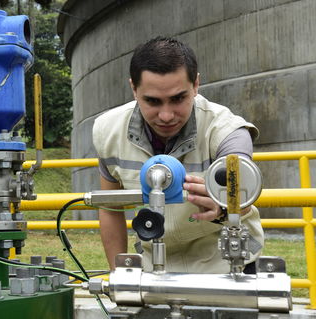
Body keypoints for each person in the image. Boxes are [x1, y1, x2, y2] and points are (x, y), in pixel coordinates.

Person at [93, 36, 264, 274]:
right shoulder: (107, 131)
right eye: (152, 101)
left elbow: (244, 194)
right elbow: (110, 208)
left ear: (196, 85)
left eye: (178, 99)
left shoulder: (227, 131)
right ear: (133, 88)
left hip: (227, 266)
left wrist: (224, 207)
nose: (166, 115)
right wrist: (118, 276)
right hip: (153, 270)